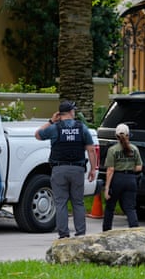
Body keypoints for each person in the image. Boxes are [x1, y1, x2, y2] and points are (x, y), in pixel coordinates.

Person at [35, 100, 97, 239]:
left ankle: (63, 235)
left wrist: (51, 121)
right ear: (70, 112)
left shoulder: (55, 128)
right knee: (78, 202)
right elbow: (91, 150)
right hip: (77, 170)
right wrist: (93, 169)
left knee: (60, 202)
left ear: (59, 114)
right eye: (73, 110)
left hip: (59, 170)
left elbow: (38, 135)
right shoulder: (82, 128)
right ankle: (80, 233)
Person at [102, 123, 143, 231]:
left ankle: (106, 231)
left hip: (117, 179)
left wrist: (106, 188)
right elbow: (139, 167)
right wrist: (129, 168)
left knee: (110, 207)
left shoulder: (113, 150)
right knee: (130, 208)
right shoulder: (134, 149)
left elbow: (110, 169)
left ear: (116, 136)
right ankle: (134, 230)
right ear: (129, 135)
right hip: (131, 179)